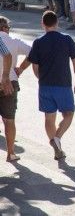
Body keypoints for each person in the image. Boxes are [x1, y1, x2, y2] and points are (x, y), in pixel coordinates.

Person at [27, 11, 75, 160]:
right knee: (68, 114)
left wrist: (41, 78)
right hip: (63, 84)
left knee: (49, 118)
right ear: (57, 23)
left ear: (43, 24)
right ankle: (56, 139)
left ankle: (55, 145)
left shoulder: (38, 42)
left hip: (45, 85)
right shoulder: (66, 39)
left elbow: (35, 66)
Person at [0, 19, 22, 162]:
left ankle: (11, 153)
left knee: (8, 120)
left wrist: (5, 77)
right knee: (9, 120)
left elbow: (7, 55)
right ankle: (11, 153)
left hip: (4, 83)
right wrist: (6, 76)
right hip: (6, 84)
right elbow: (7, 55)